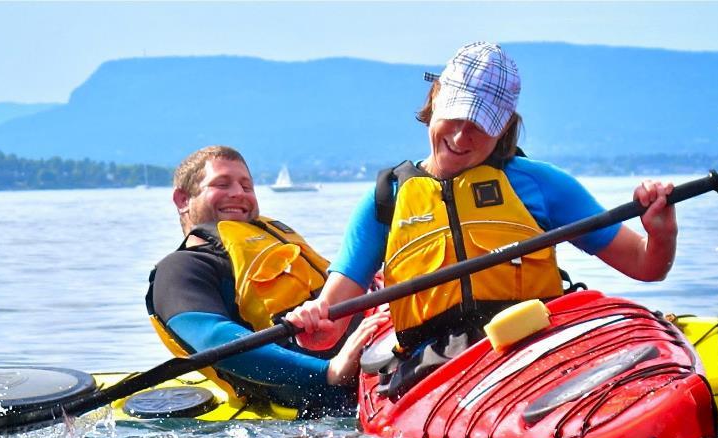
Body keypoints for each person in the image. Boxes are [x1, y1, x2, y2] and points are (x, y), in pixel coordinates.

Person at [289, 42, 677, 395]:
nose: (460, 138)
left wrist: (661, 232)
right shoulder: (385, 200)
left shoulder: (541, 184)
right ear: (435, 99)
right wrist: (313, 325)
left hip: (535, 350)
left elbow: (646, 265)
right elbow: (329, 331)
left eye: (480, 126)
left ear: (505, 126)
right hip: (433, 371)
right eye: (454, 118)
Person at [146, 145, 384, 416]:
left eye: (246, 186)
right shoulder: (180, 269)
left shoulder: (275, 240)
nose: (238, 193)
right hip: (323, 400)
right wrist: (328, 372)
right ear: (182, 199)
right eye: (221, 184)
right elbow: (214, 339)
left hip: (381, 353)